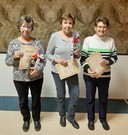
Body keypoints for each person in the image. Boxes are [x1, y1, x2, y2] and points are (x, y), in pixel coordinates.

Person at [5, 15, 46, 132]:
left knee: (36, 99)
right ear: (19, 27)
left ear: (32, 28)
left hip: (36, 77)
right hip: (19, 78)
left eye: (28, 27)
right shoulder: (13, 43)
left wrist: (38, 69)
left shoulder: (37, 42)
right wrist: (14, 57)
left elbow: (43, 59)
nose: (26, 29)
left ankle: (36, 119)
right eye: (23, 26)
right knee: (22, 100)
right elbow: (7, 62)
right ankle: (26, 119)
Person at [80, 16, 118, 130]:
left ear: (107, 28)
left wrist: (108, 61)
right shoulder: (88, 40)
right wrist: (88, 70)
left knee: (103, 99)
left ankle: (103, 119)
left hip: (105, 76)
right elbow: (82, 58)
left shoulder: (111, 41)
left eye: (104, 27)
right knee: (90, 99)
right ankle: (91, 120)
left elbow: (115, 57)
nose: (102, 29)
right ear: (95, 27)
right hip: (89, 76)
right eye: (100, 26)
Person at [46, 13, 80, 129]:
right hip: (58, 71)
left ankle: (71, 117)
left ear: (73, 24)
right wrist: (57, 60)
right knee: (61, 95)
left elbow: (77, 55)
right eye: (65, 22)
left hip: (72, 70)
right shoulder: (55, 36)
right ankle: (62, 115)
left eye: (70, 23)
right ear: (61, 23)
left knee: (75, 94)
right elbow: (48, 54)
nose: (68, 25)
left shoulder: (76, 36)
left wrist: (77, 54)